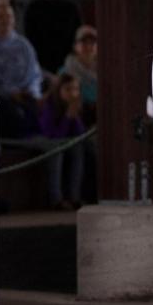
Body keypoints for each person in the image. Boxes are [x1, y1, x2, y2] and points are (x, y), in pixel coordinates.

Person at [0, 0, 43, 138]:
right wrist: (10, 93)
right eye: (0, 16)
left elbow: (35, 74)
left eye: (8, 16)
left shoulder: (24, 46)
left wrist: (31, 92)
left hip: (25, 96)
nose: (5, 20)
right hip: (1, 99)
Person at [38, 73, 86, 210]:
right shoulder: (48, 106)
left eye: (75, 89)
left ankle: (74, 197)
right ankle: (56, 199)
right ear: (59, 89)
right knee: (56, 150)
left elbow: (81, 134)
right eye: (68, 89)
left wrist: (73, 115)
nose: (73, 93)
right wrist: (67, 117)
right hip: (38, 138)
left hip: (59, 139)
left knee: (78, 148)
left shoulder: (72, 105)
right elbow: (52, 135)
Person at [24, 0, 82, 76]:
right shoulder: (32, 8)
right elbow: (29, 38)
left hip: (68, 63)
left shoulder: (71, 8)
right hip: (39, 64)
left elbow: (78, 35)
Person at [60, 24, 98, 126]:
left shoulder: (104, 71)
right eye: (84, 43)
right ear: (75, 46)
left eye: (92, 43)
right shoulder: (66, 71)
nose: (89, 47)